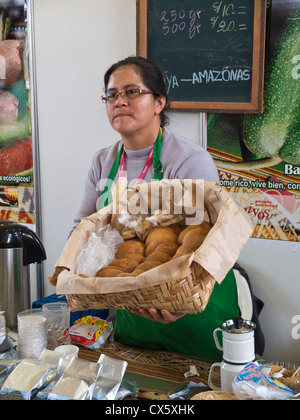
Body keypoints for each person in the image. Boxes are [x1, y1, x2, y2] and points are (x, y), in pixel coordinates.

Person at [72, 56, 239, 360]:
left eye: (131, 92)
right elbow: (81, 229)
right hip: (133, 309)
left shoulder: (189, 160)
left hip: (190, 311)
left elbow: (209, 243)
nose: (119, 101)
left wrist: (178, 301)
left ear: (159, 102)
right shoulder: (102, 161)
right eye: (112, 95)